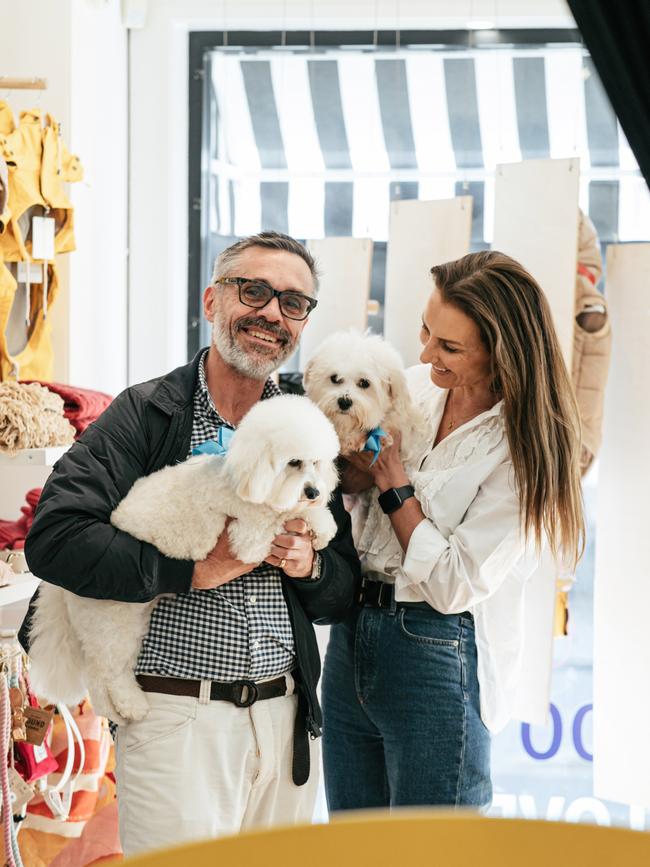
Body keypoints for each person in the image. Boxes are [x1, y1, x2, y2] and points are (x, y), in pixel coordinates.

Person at [21, 231, 360, 855]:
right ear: (212, 301)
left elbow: (343, 590)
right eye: (252, 291)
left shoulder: (305, 425)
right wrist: (191, 571)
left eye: (293, 303)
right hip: (178, 720)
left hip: (285, 721)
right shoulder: (148, 412)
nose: (271, 314)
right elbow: (56, 539)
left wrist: (311, 565)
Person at [322, 250, 584, 810]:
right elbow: (351, 489)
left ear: (500, 353)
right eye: (426, 330)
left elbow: (452, 584)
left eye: (449, 347)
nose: (424, 353)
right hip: (350, 632)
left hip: (434, 649)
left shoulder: (521, 447)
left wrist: (393, 480)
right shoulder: (412, 386)